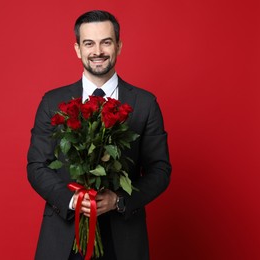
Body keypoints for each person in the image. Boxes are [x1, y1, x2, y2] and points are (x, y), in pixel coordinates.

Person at [27, 10, 171, 260]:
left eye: (106, 42)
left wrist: (118, 200)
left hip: (123, 237)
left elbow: (160, 170)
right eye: (89, 43)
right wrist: (73, 200)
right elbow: (37, 166)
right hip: (63, 235)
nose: (98, 51)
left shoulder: (145, 104)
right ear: (77, 49)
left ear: (119, 46)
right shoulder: (52, 102)